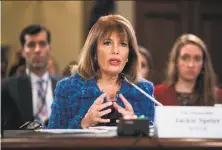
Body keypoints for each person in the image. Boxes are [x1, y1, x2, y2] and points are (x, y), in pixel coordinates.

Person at [48, 14, 155, 129]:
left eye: (123, 44)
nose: (115, 51)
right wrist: (83, 124)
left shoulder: (144, 90)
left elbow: (155, 140)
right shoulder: (67, 89)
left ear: (129, 54)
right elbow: (52, 139)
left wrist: (138, 126)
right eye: (107, 43)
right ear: (94, 52)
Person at [2, 24, 61, 129]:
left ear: (49, 49)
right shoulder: (8, 88)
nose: (37, 50)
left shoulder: (64, 85)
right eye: (31, 45)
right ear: (23, 51)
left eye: (42, 44)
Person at [154, 33, 222, 106]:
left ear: (203, 64)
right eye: (185, 58)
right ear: (176, 61)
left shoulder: (219, 96)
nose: (191, 65)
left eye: (197, 59)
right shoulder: (156, 94)